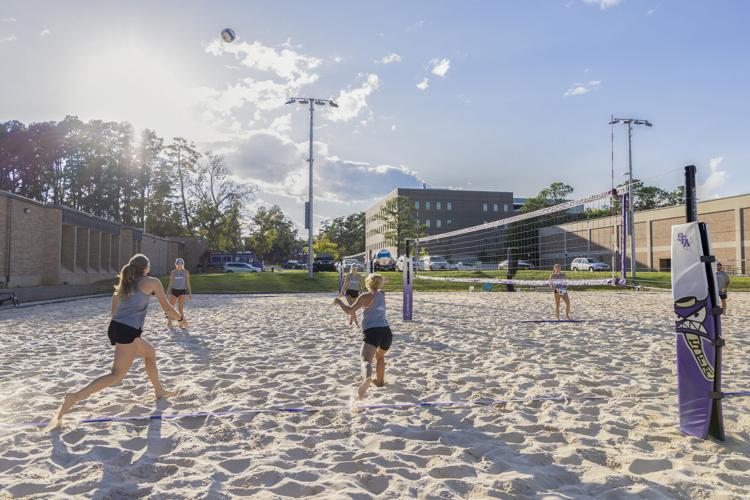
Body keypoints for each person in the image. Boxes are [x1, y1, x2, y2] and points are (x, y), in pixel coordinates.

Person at [45, 254, 182, 430]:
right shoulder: (152, 282)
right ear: (146, 268)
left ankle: (159, 391)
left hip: (116, 328)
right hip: (127, 331)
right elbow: (167, 308)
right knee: (116, 375)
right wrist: (181, 318)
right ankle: (74, 397)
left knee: (150, 352)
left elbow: (114, 313)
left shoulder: (123, 285)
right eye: (148, 266)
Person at [333, 273, 392, 400]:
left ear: (368, 283)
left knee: (365, 360)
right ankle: (380, 382)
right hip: (386, 332)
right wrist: (382, 281)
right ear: (380, 284)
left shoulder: (365, 296)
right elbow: (380, 286)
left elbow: (350, 311)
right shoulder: (382, 294)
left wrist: (339, 302)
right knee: (380, 356)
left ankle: (367, 379)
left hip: (372, 332)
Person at [167, 258, 191, 328]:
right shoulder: (173, 272)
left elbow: (188, 283)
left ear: (182, 264)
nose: (179, 265)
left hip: (182, 291)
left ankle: (181, 323)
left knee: (180, 309)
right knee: (171, 308)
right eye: (178, 263)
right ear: (176, 264)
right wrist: (167, 293)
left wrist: (190, 293)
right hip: (174, 291)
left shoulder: (186, 272)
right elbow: (170, 283)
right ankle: (169, 322)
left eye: (180, 263)